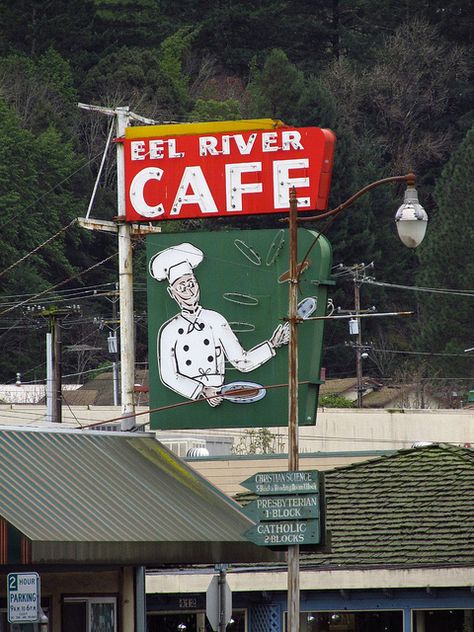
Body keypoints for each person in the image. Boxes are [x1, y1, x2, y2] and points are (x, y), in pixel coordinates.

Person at [149, 242, 289, 406]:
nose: (189, 291)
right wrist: (202, 390)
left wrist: (272, 344)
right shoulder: (169, 330)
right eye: (182, 287)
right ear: (172, 293)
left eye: (191, 283)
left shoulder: (215, 319)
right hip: (192, 399)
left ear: (197, 283)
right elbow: (168, 376)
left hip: (222, 393)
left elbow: (241, 361)